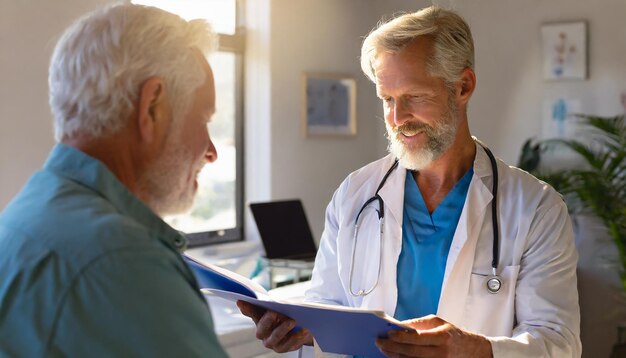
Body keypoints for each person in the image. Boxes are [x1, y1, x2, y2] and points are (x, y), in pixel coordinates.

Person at [238, 6, 581, 357]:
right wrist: (300, 330)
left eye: (414, 97)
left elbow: (558, 342)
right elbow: (327, 303)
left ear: (463, 87)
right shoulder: (355, 194)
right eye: (387, 99)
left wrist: (473, 350)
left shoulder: (536, 208)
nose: (398, 118)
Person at [0, 4, 228, 357]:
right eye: (203, 119)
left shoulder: (24, 216)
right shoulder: (123, 260)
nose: (211, 151)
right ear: (152, 106)